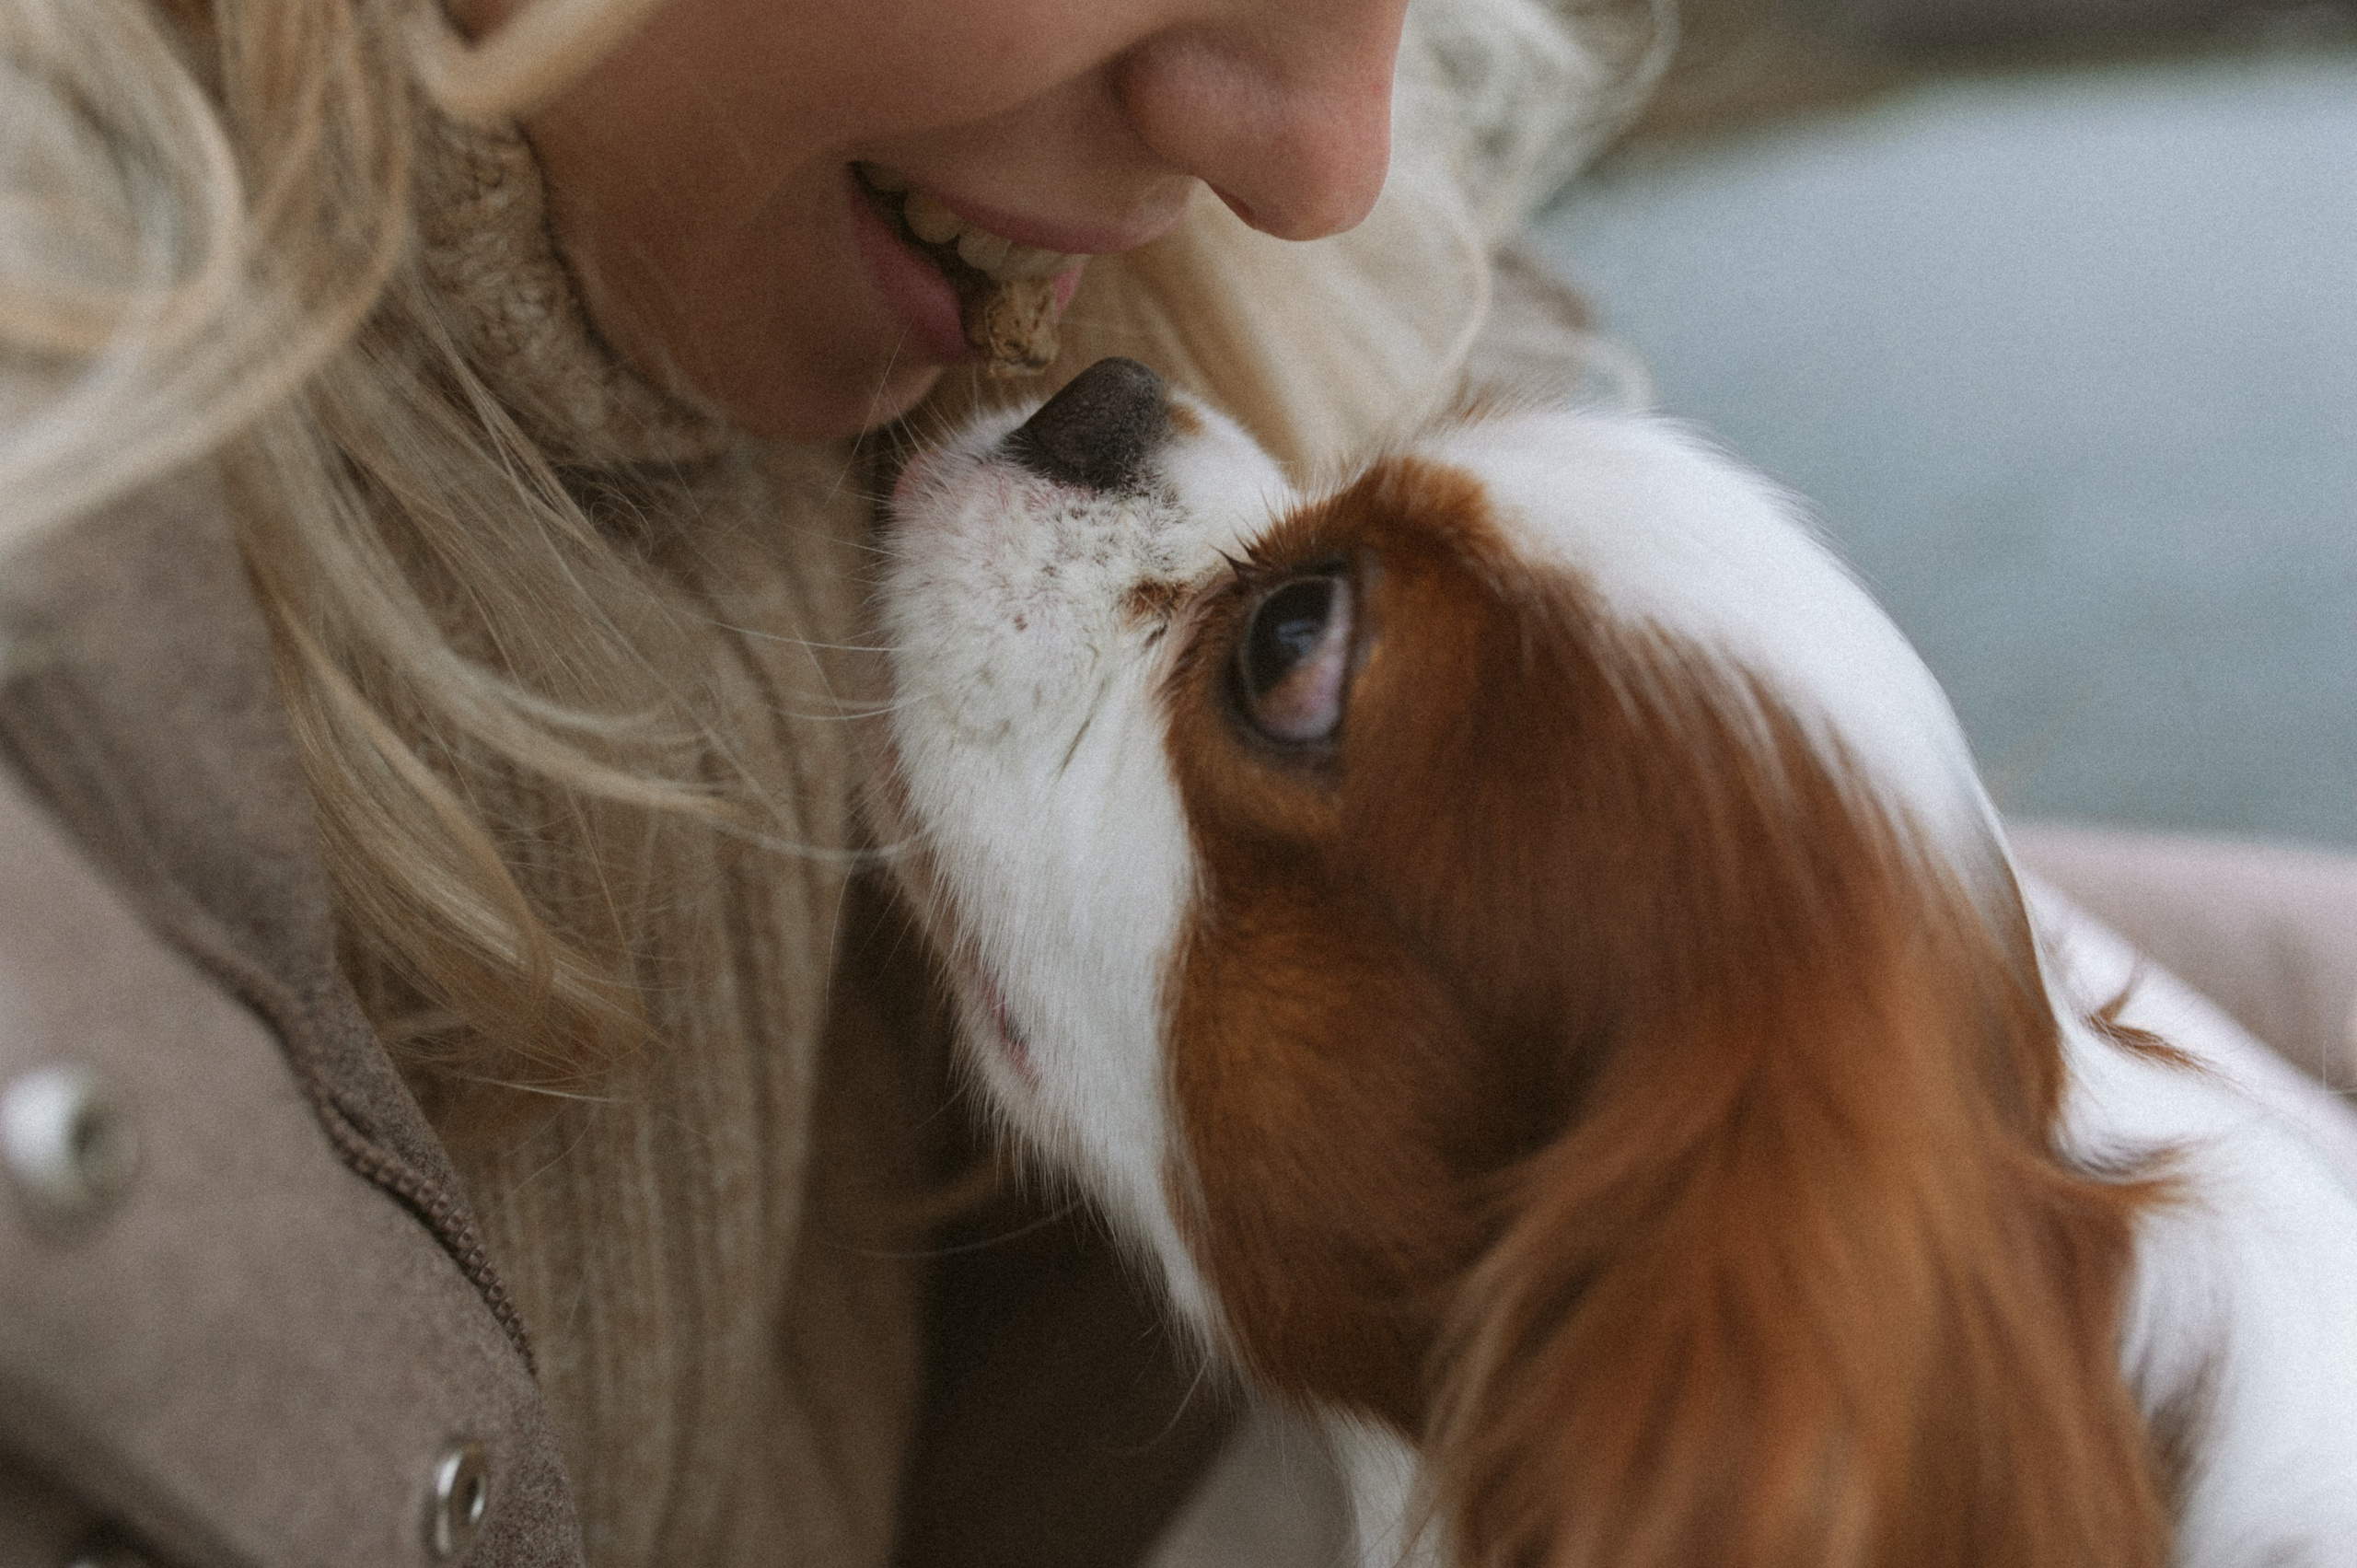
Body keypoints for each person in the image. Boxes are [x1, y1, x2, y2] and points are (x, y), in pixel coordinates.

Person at [2, 3, 2350, 1567]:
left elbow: (1775, 987)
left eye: (1297, 641)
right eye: (1297, 661)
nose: (1332, 158)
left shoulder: (1166, 258)